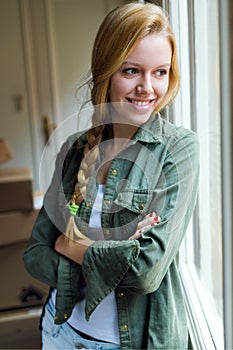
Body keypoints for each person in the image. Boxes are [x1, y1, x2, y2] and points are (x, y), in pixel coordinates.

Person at [22, 2, 199, 349]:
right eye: (132, 70)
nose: (148, 88)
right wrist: (116, 250)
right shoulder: (74, 150)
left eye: (160, 72)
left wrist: (70, 244)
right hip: (60, 334)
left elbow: (145, 272)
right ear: (106, 70)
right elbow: (36, 254)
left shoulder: (178, 150)